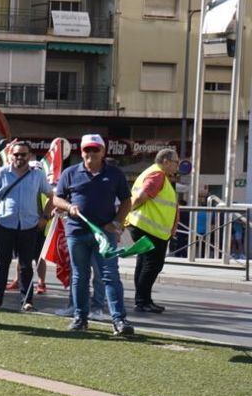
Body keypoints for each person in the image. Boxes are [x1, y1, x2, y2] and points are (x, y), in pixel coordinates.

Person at [51, 133, 133, 335]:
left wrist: (116, 222)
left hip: (105, 234)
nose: (90, 153)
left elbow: (126, 201)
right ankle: (80, 317)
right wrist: (69, 207)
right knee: (79, 276)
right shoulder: (70, 173)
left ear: (103, 151)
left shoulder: (114, 174)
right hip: (77, 233)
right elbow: (56, 199)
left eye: (95, 149)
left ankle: (119, 320)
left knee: (110, 275)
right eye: (87, 149)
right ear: (81, 151)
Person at [0, 140, 53, 311]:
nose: (19, 157)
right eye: (16, 154)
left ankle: (27, 300)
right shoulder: (2, 173)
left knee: (26, 265)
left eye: (23, 154)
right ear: (11, 155)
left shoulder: (37, 174)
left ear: (29, 156)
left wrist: (44, 217)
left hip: (29, 226)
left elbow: (51, 196)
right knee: (2, 263)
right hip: (5, 223)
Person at [124, 147, 180, 314]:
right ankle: (142, 301)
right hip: (149, 228)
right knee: (152, 264)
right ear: (166, 162)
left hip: (146, 227)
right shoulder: (158, 175)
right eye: (176, 162)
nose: (178, 165)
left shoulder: (155, 173)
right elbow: (140, 197)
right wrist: (126, 213)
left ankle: (143, 300)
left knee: (144, 262)